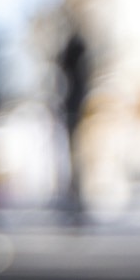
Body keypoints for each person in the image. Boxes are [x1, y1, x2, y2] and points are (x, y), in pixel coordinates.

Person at [56, 27, 91, 225]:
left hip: (73, 107)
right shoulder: (79, 54)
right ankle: (74, 198)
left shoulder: (73, 53)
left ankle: (75, 199)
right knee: (72, 156)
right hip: (73, 106)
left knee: (74, 156)